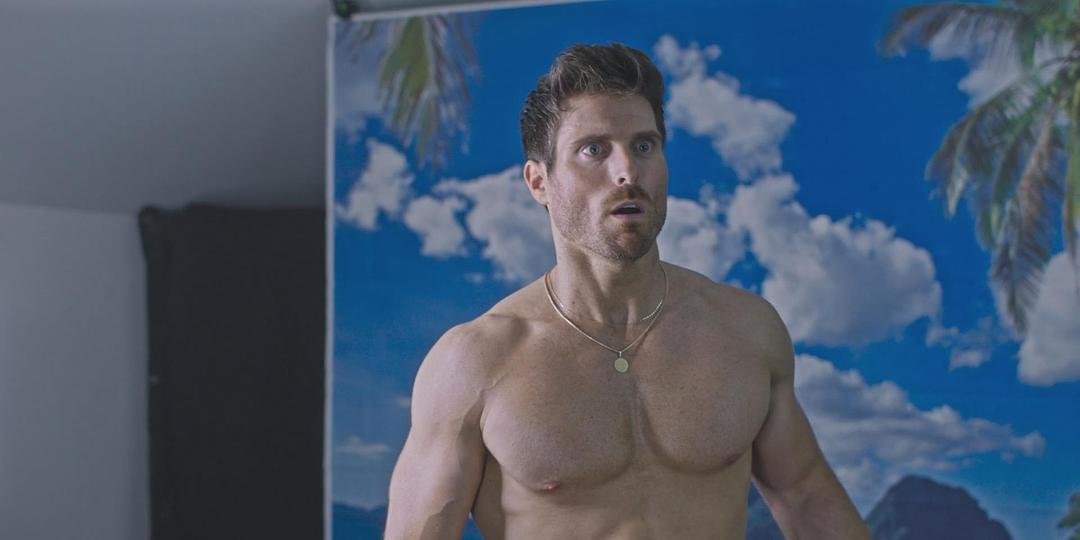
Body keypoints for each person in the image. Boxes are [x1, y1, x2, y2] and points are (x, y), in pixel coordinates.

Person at [385, 42, 870, 539]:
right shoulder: (474, 362)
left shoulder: (746, 330)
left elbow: (804, 494)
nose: (627, 172)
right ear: (539, 182)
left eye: (643, 146)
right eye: (594, 150)